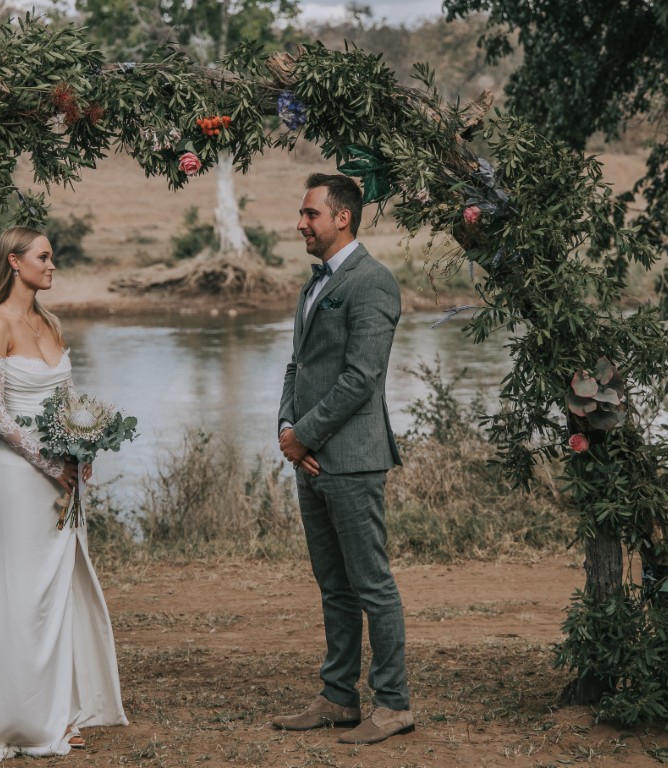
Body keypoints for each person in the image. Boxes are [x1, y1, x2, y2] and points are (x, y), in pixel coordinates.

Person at [0, 226, 128, 761]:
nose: (52, 265)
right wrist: (49, 463)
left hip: (63, 473)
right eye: (44, 257)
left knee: (57, 590)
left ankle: (58, 710)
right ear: (15, 262)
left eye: (52, 257)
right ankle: (12, 717)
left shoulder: (50, 321)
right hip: (20, 476)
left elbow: (68, 397)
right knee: (20, 591)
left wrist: (82, 447)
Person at [273, 174, 413, 745]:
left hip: (352, 459)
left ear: (342, 218)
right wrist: (287, 427)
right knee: (334, 585)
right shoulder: (315, 283)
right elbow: (296, 366)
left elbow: (362, 379)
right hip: (311, 456)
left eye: (310, 214)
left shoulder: (372, 283)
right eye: (302, 214)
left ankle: (395, 703)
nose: (301, 223)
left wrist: (305, 436)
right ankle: (338, 697)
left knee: (371, 583)